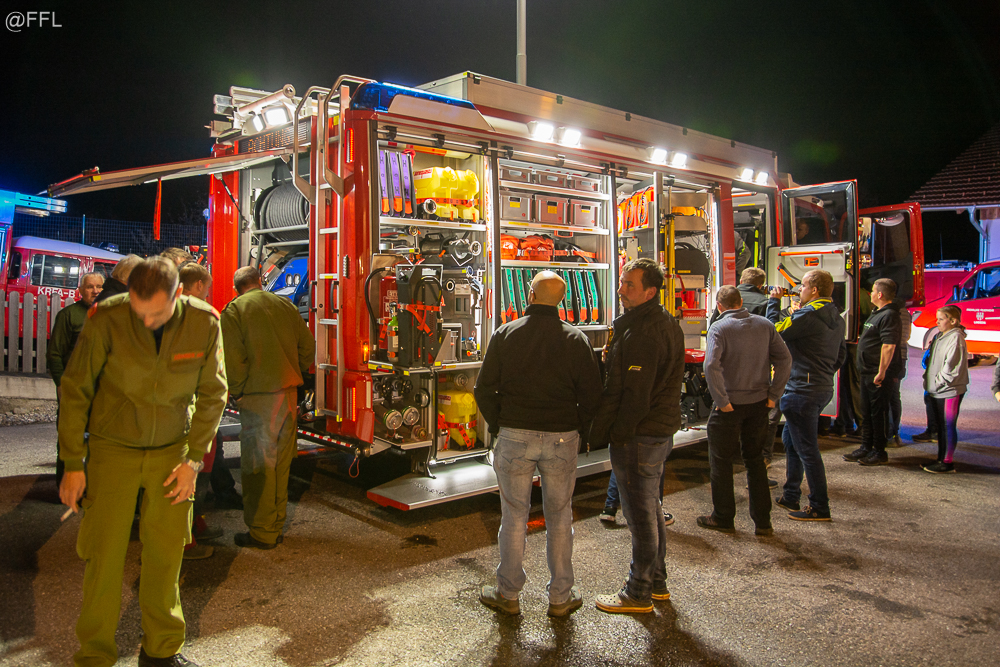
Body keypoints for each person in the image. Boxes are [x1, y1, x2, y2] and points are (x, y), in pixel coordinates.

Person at [58, 257, 227, 667]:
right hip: (112, 449)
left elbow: (213, 394)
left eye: (156, 313)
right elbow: (76, 388)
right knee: (103, 555)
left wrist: (193, 461)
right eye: (139, 311)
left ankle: (161, 650)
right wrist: (73, 463)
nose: (146, 321)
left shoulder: (204, 322)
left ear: (178, 295)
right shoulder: (106, 317)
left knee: (166, 554)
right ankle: (95, 654)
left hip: (172, 452)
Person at [474, 271, 602, 617]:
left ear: (530, 295)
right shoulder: (576, 339)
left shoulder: (506, 334)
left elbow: (483, 388)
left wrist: (500, 424)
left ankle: (508, 593)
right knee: (559, 515)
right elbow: (592, 394)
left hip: (515, 435)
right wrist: (578, 428)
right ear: (561, 300)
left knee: (514, 515)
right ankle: (560, 596)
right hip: (562, 437)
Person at [589, 258, 684, 614]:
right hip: (656, 431)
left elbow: (636, 394)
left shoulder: (645, 332)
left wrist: (618, 432)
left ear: (650, 292)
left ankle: (637, 592)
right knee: (650, 509)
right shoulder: (657, 323)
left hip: (640, 435)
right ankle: (657, 583)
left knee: (640, 516)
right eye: (622, 282)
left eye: (630, 284)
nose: (621, 289)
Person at [221, 266, 314, 549]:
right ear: (260, 282)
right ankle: (276, 523)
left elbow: (233, 358)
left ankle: (262, 532)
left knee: (258, 466)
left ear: (237, 288)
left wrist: (237, 391)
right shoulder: (285, 306)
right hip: (288, 395)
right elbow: (308, 348)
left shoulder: (234, 311)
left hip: (258, 398)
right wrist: (294, 371)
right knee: (282, 464)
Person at [698, 285, 791, 535]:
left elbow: (711, 365)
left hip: (729, 406)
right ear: (740, 302)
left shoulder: (719, 328)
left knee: (721, 462)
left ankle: (723, 517)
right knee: (755, 461)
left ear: (719, 306)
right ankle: (763, 522)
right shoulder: (765, 325)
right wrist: (773, 395)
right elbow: (785, 359)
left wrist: (722, 400)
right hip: (758, 404)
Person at [767, 270, 847, 521]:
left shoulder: (808, 314)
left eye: (802, 286)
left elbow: (773, 331)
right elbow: (841, 355)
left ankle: (819, 506)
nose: (798, 290)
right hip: (820, 387)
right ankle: (791, 494)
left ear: (814, 290)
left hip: (801, 389)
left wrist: (773, 303)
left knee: (807, 450)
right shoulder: (836, 316)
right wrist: (822, 374)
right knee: (792, 442)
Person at [177, 262, 221, 560]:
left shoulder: (161, 312)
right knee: (195, 471)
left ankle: (194, 527)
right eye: (206, 288)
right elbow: (213, 381)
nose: (207, 294)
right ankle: (186, 540)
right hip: (191, 410)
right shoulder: (202, 316)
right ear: (196, 285)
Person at [47, 271, 104, 487]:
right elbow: (54, 354)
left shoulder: (109, 315)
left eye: (99, 286)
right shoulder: (68, 316)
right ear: (80, 290)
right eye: (90, 287)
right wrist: (60, 383)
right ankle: (64, 488)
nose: (95, 291)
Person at [845, 278, 902, 466]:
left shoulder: (889, 315)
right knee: (867, 411)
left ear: (880, 294)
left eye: (873, 291)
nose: (870, 294)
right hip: (867, 371)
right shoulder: (877, 312)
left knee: (878, 413)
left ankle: (879, 451)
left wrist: (882, 371)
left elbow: (888, 345)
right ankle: (866, 447)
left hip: (878, 374)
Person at [922, 306, 969, 473]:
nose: (937, 322)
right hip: (937, 389)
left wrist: (937, 382)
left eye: (941, 319)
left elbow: (951, 368)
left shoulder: (955, 338)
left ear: (953, 321)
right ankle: (940, 459)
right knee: (941, 427)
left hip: (949, 391)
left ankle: (947, 463)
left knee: (947, 426)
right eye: (937, 319)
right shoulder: (940, 336)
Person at [886, 297, 912, 447]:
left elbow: (892, 340)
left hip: (894, 358)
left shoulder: (893, 313)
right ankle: (895, 433)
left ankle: (890, 434)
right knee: (894, 397)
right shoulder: (904, 312)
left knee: (888, 397)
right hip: (901, 357)